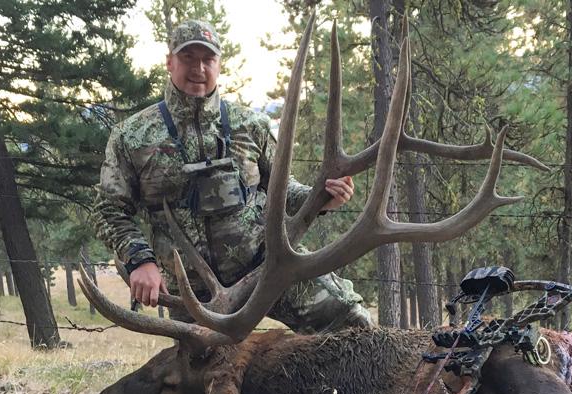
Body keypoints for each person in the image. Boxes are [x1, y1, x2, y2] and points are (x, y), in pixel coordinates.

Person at [93, 20, 372, 333]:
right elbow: (109, 210)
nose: (199, 68)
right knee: (207, 366)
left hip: (268, 268)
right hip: (196, 294)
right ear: (170, 62)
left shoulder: (250, 125)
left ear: (219, 65)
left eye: (207, 59)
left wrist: (321, 198)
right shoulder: (132, 137)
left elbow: (282, 190)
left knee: (352, 325)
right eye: (188, 57)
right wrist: (139, 260)